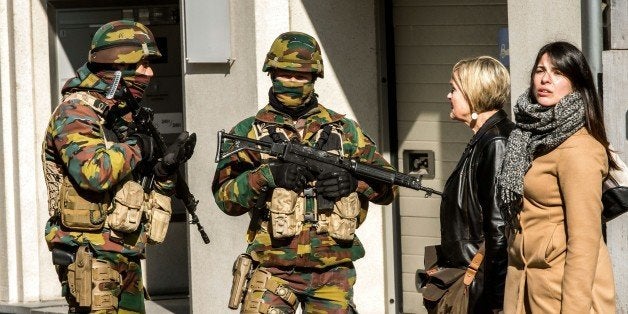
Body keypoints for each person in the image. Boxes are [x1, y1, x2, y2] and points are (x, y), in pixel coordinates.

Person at [212, 31, 397, 313]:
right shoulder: (248, 131)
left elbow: (389, 187)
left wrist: (353, 183)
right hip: (273, 268)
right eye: (286, 74)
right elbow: (225, 198)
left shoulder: (344, 131)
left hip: (332, 271)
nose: (293, 82)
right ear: (272, 73)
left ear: (315, 78)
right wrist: (266, 176)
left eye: (301, 76)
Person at [42, 20, 196, 313]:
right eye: (143, 64)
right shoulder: (77, 111)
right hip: (89, 253)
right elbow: (93, 173)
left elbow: (135, 183)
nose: (149, 73)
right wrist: (139, 147)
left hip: (125, 251)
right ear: (119, 65)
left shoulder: (123, 114)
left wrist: (163, 170)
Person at [498, 41, 617, 313]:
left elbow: (584, 244)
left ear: (576, 84)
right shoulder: (526, 138)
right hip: (523, 287)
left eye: (558, 73)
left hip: (560, 295)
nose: (545, 79)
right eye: (540, 70)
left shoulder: (579, 150)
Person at [425, 56, 513, 313]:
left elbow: (499, 230)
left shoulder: (496, 142)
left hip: (478, 287)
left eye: (454, 89)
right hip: (471, 279)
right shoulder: (483, 139)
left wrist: (492, 303)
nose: (448, 95)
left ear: (474, 95)